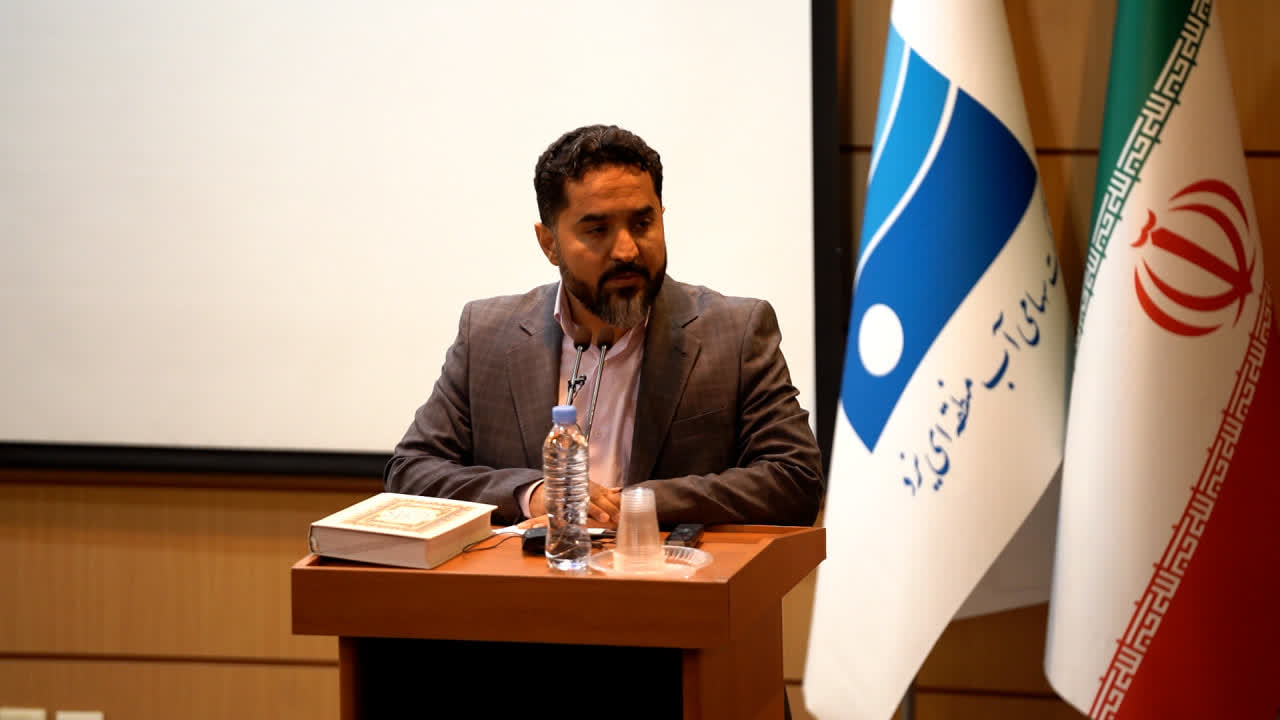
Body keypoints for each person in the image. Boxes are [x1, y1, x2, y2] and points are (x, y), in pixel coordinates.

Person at [385, 124, 823, 528]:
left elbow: (795, 479)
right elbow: (411, 472)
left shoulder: (736, 332)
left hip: (672, 579)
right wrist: (534, 495)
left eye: (643, 223)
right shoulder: (486, 334)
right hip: (525, 582)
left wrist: (633, 505)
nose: (627, 250)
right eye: (597, 230)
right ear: (549, 243)